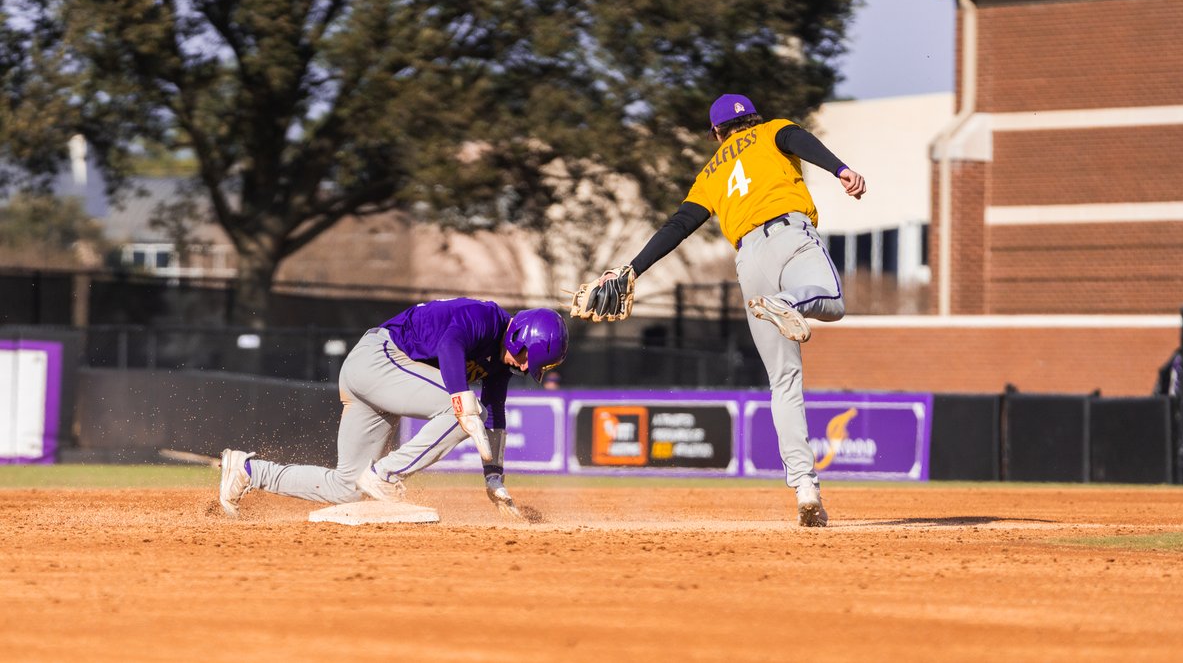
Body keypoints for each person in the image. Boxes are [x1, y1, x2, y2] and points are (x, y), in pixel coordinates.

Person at [586, 93, 865, 527]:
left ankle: (805, 487)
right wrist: (840, 169)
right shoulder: (771, 130)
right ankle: (788, 302)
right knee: (831, 299)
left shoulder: (711, 172)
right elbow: (798, 139)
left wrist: (632, 269)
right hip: (790, 234)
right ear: (753, 118)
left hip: (749, 261)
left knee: (783, 381)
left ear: (716, 133)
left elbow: (679, 225)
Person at [217, 299, 569, 518]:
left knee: (349, 487)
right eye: (528, 357)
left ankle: (248, 471)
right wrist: (462, 400)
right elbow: (450, 344)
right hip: (377, 358)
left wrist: (494, 477)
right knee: (462, 409)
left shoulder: (500, 366)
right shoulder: (486, 317)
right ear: (520, 335)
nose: (526, 367)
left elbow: (496, 416)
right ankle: (387, 475)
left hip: (379, 381)